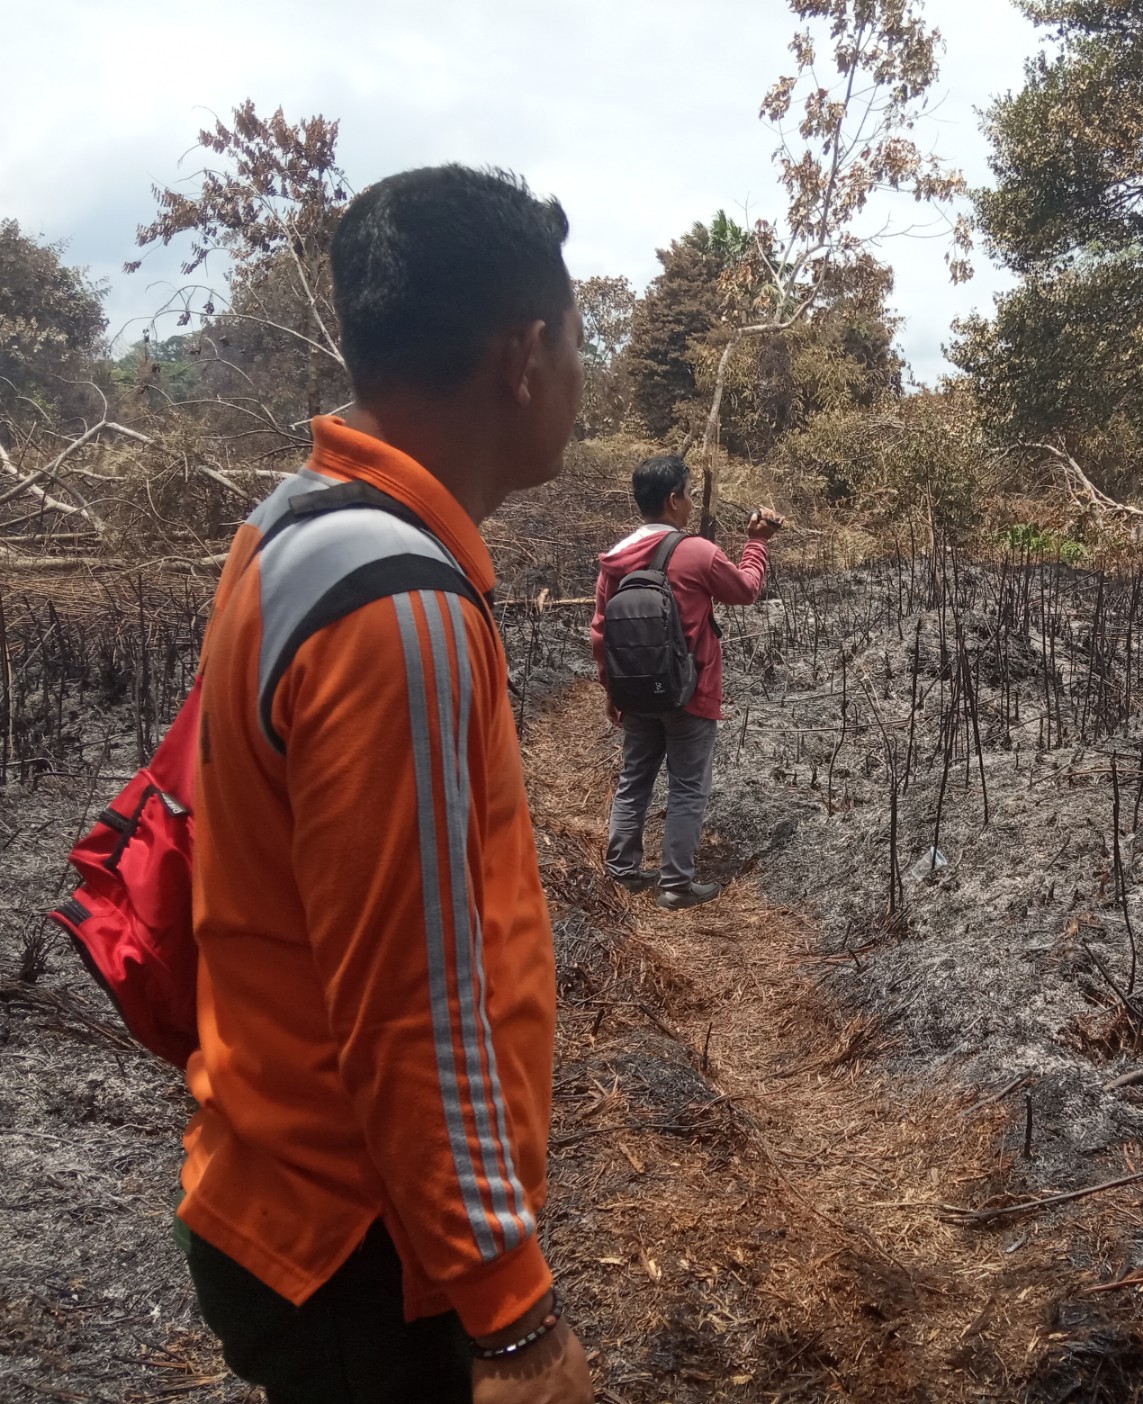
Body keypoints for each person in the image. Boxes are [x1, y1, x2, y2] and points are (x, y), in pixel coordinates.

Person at [180, 166, 593, 1404]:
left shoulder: (295, 525)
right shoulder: (396, 606)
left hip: (298, 1200)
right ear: (524, 354)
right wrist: (514, 1320)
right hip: (361, 1255)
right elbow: (411, 1005)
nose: (584, 375)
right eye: (579, 342)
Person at [591, 457, 780, 908]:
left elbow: (601, 630)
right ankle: (675, 885)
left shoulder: (614, 559)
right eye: (690, 494)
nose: (692, 503)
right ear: (673, 499)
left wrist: (612, 692)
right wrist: (756, 543)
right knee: (688, 786)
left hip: (635, 690)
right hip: (690, 691)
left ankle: (621, 871)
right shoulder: (696, 552)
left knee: (635, 777)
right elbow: (746, 590)